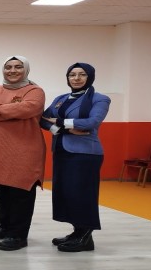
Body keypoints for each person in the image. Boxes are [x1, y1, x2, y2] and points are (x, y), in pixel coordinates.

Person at [0, 56, 46, 251]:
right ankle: (5, 226)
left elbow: (28, 108)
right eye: (8, 67)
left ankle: (18, 235)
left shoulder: (34, 91)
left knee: (21, 192)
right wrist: (8, 114)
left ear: (26, 69)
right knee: (2, 191)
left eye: (18, 67)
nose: (12, 70)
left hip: (24, 151)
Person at [41, 62, 110, 252]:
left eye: (82, 74)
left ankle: (86, 237)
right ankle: (77, 232)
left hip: (85, 153)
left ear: (90, 77)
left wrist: (60, 121)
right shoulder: (61, 99)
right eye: (72, 75)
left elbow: (92, 122)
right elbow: (43, 119)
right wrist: (61, 129)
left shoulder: (100, 99)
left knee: (82, 195)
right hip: (62, 151)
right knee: (67, 193)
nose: (76, 78)